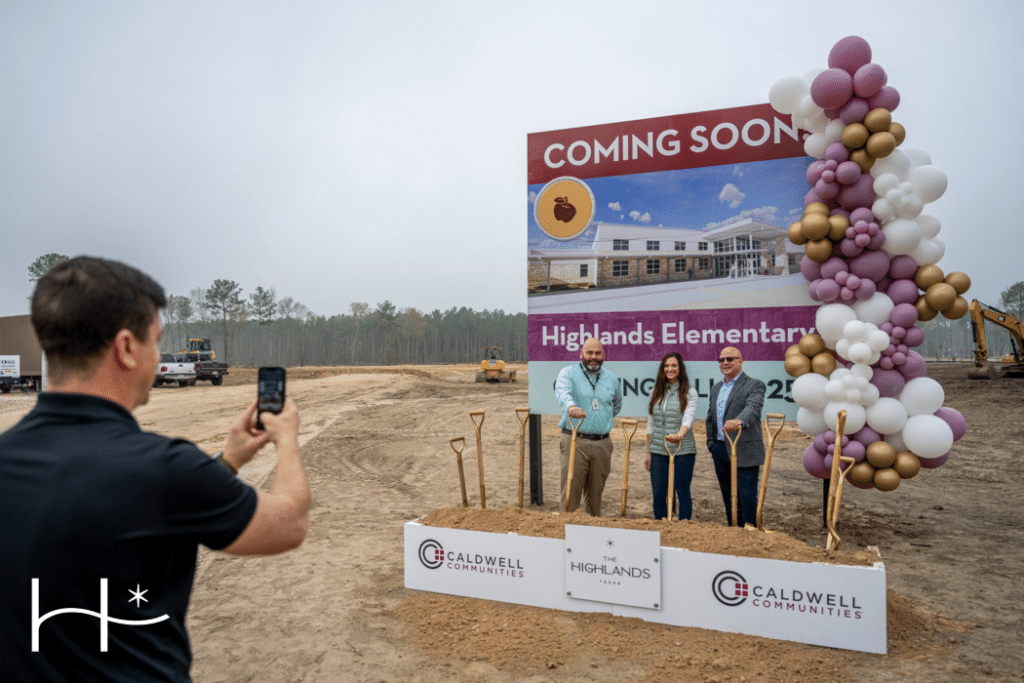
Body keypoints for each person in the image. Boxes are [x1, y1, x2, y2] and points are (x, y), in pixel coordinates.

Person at [0, 256, 310, 683]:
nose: (159, 355)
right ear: (127, 348)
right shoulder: (165, 469)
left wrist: (230, 461)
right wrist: (288, 438)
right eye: (157, 340)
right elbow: (287, 523)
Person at [554, 337, 622, 515]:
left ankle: (593, 533)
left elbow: (616, 406)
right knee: (570, 493)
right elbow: (563, 393)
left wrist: (599, 419)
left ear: (603, 355)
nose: (593, 357)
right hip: (575, 440)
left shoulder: (612, 379)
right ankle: (567, 533)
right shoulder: (568, 373)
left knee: (595, 496)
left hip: (602, 444)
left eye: (598, 353)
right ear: (581, 354)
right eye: (589, 352)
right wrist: (571, 406)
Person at [705, 346, 765, 528]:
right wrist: (712, 444)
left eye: (730, 359)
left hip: (744, 448)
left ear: (741, 361)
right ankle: (734, 532)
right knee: (728, 496)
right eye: (721, 360)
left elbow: (752, 408)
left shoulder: (755, 384)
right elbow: (710, 418)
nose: (725, 363)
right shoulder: (716, 388)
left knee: (747, 497)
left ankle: (751, 533)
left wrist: (738, 421)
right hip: (721, 449)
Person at [645, 352, 700, 520]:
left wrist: (679, 436)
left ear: (680, 368)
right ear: (663, 369)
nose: (670, 369)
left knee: (682, 490)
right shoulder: (655, 392)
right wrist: (648, 452)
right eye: (667, 366)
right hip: (658, 449)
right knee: (659, 492)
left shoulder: (690, 392)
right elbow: (651, 423)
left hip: (683, 449)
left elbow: (688, 418)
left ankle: (683, 527)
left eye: (674, 365)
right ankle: (661, 527)